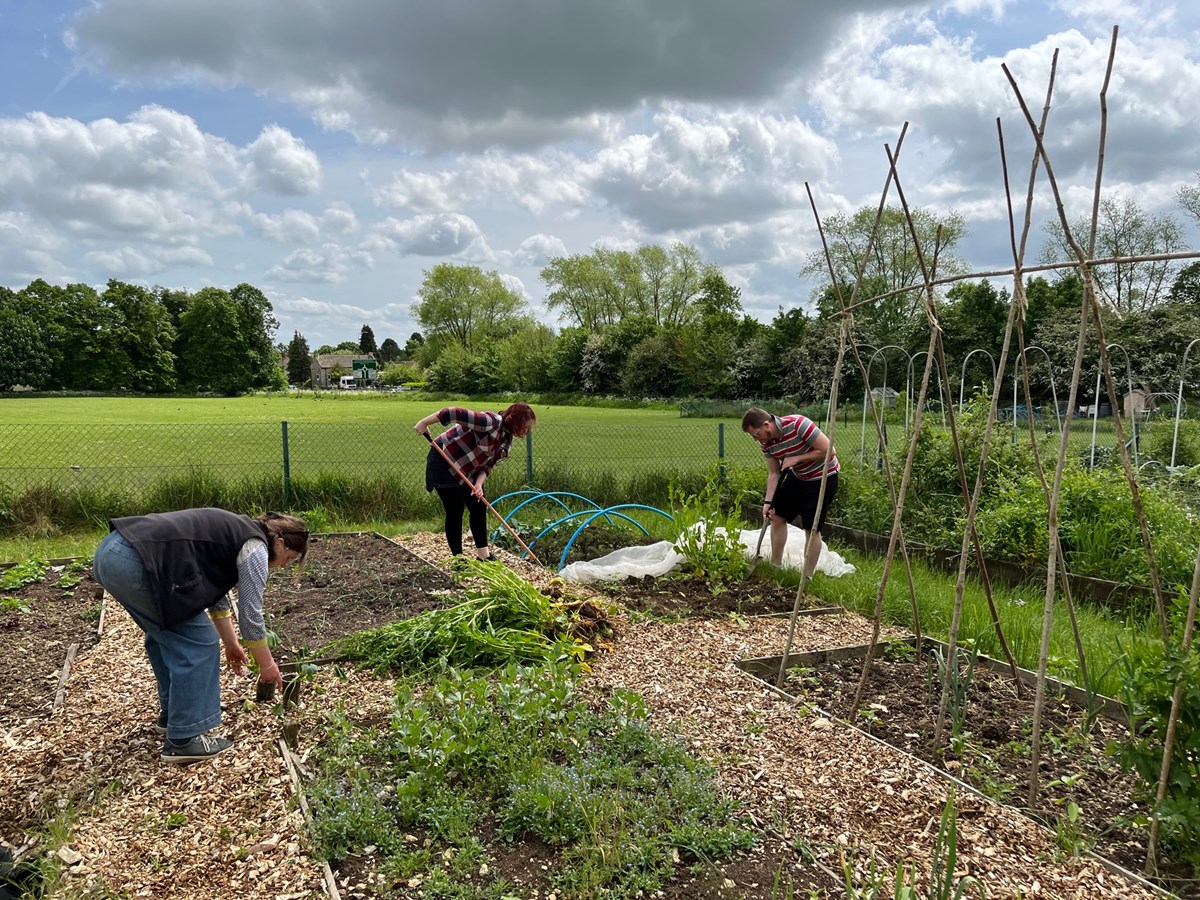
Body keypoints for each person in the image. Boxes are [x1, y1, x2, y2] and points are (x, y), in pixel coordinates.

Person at [92, 508, 308, 764]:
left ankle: (174, 717)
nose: (284, 565)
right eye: (289, 557)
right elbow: (250, 616)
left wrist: (231, 643)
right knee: (199, 642)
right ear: (280, 542)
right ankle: (184, 740)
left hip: (111, 553)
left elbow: (213, 594)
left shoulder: (236, 533)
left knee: (167, 635)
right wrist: (267, 665)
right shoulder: (256, 548)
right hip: (133, 561)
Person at [415, 402, 536, 560]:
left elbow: (488, 466)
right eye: (525, 426)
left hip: (468, 470)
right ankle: (458, 559)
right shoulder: (489, 422)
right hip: (444, 461)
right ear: (514, 419)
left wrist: (478, 485)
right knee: (455, 509)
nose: (526, 431)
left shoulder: (506, 441)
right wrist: (424, 423)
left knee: (478, 505)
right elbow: (454, 412)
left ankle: (483, 556)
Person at [742, 406, 840, 577]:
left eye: (755, 434)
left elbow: (829, 450)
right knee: (777, 516)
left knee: (812, 528)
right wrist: (767, 502)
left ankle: (807, 577)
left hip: (822, 477)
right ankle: (776, 567)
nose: (755, 439)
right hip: (799, 476)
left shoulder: (798, 424)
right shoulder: (766, 443)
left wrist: (797, 459)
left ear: (766, 425)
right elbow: (774, 473)